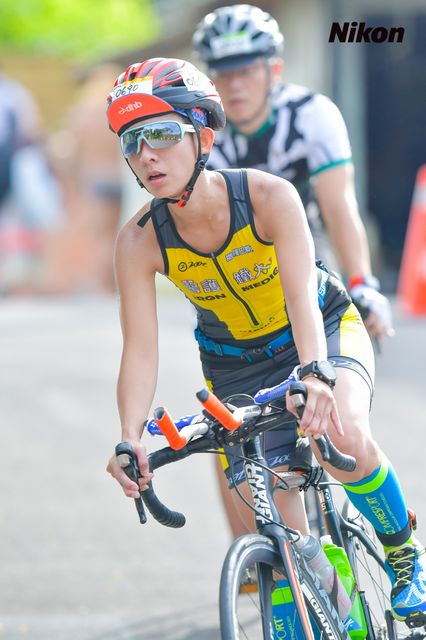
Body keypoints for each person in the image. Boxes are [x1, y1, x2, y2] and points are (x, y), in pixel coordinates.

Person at [105, 58, 426, 625]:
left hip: (320, 330)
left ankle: (405, 557)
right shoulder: (139, 240)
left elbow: (302, 298)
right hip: (235, 368)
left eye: (162, 133)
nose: (147, 155)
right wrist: (130, 438)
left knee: (343, 433)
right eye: (133, 142)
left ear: (204, 137)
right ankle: (331, 602)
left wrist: (316, 374)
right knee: (274, 520)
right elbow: (140, 349)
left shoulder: (267, 196)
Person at [192, 4, 393, 341]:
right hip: (237, 251)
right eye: (223, 73)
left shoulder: (313, 115)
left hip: (307, 235)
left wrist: (362, 282)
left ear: (274, 70)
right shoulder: (201, 132)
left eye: (247, 70)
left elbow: (338, 206)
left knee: (332, 327)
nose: (235, 84)